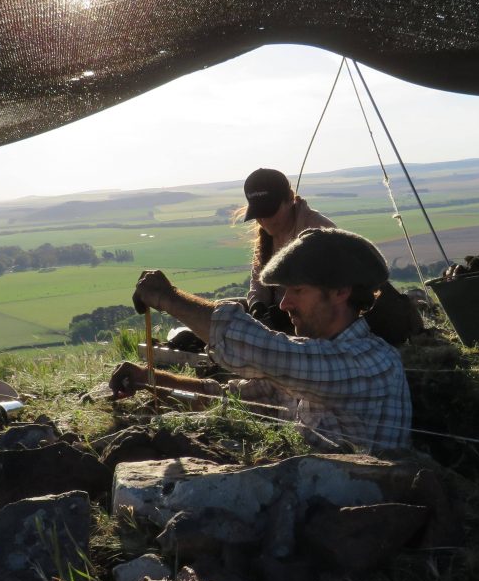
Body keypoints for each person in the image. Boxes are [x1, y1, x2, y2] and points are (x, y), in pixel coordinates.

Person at [109, 228, 412, 451]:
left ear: (340, 292)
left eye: (298, 290)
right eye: (285, 291)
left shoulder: (373, 363)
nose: (284, 304)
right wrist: (150, 380)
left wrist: (168, 298)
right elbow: (226, 398)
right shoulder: (310, 360)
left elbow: (268, 353)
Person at [240, 168, 336, 332]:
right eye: (258, 214)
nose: (263, 220)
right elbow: (258, 281)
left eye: (269, 212)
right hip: (278, 316)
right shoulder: (266, 236)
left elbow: (332, 292)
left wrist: (284, 313)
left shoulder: (319, 231)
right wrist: (257, 305)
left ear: (290, 199)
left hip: (317, 323)